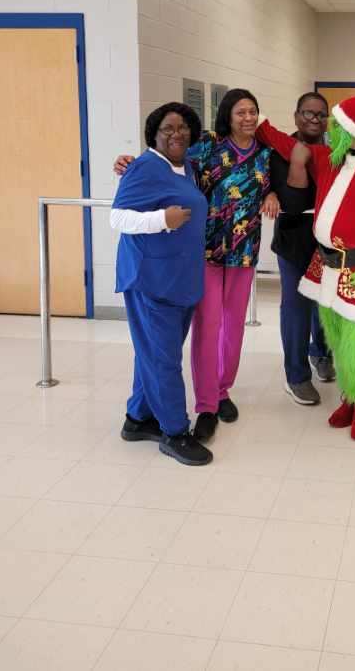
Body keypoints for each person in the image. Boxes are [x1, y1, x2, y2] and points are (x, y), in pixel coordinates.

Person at [114, 89, 277, 444]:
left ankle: (221, 391)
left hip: (243, 252)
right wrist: (129, 162)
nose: (247, 118)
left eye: (253, 111)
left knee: (233, 328)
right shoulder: (206, 145)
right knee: (207, 326)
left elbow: (275, 186)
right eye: (240, 113)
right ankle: (206, 405)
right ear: (227, 117)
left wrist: (271, 193)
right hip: (201, 252)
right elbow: (162, 156)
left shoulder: (267, 154)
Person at [256, 96, 355, 441]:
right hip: (325, 267)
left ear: (353, 129)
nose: (330, 129)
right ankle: (349, 397)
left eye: (337, 125)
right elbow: (288, 144)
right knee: (338, 338)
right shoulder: (330, 159)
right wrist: (260, 123)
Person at [111, 102, 212, 466]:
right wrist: (161, 220)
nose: (177, 134)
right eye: (168, 128)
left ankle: (137, 419)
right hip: (151, 280)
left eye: (183, 128)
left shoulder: (185, 165)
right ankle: (174, 431)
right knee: (163, 358)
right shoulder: (144, 167)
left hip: (179, 279)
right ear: (153, 133)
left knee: (154, 353)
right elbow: (117, 217)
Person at [270, 92, 334, 407]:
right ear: (296, 116)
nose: (313, 119)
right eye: (307, 113)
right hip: (294, 241)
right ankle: (296, 376)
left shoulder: (338, 151)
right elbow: (293, 202)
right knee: (296, 308)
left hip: (329, 243)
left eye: (320, 114)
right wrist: (297, 163)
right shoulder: (280, 151)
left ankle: (320, 352)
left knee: (326, 303)